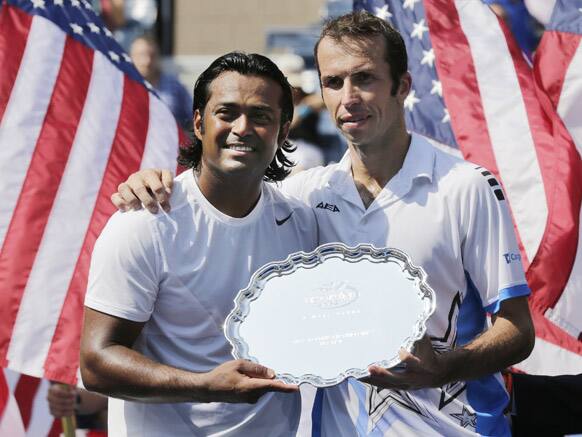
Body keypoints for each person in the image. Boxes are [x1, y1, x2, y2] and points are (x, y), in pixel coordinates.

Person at [112, 11, 535, 436]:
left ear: (403, 86)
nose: (348, 97)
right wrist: (150, 182)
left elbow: (518, 329)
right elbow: (217, 200)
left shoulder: (467, 187)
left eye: (365, 79)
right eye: (333, 82)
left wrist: (445, 368)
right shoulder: (304, 197)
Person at [80, 51, 318, 436]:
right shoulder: (144, 222)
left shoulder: (304, 224)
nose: (242, 127)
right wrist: (205, 386)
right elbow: (95, 363)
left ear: (283, 130)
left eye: (260, 116)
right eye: (226, 113)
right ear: (198, 122)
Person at [130, 34, 193, 130]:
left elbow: (192, 118)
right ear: (131, 58)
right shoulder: (124, 88)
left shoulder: (174, 86)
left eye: (152, 55)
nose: (147, 61)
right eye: (142, 55)